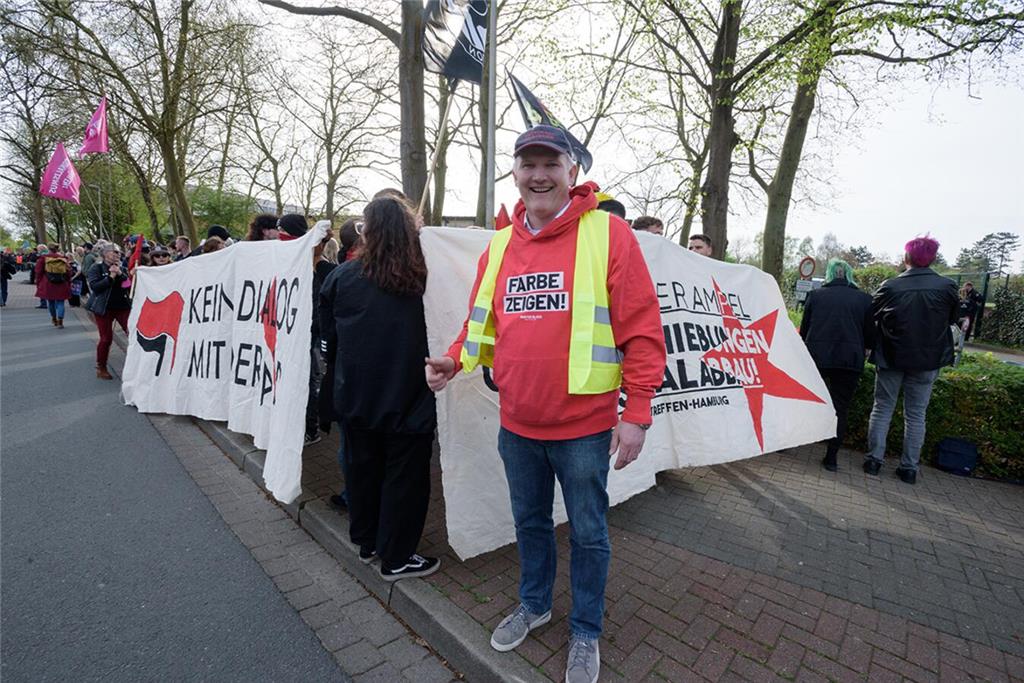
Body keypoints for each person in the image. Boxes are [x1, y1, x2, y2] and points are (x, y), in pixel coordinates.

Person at [424, 124, 666, 683]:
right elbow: (481, 324)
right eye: (527, 163)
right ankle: (535, 605)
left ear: (571, 171)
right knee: (530, 523)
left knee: (588, 533)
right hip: (519, 426)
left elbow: (643, 333)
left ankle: (585, 629)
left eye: (550, 163)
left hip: (584, 430)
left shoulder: (609, 235)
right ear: (514, 172)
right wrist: (455, 359)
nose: (538, 174)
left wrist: (637, 413)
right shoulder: (500, 245)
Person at [320, 196, 439, 581]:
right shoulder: (423, 278)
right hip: (407, 398)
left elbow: (329, 340)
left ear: (367, 232)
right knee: (403, 479)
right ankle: (397, 554)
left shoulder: (342, 278)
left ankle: (368, 540)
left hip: (356, 396)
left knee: (364, 471)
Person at [864, 236, 959, 484]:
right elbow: (952, 319)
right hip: (928, 359)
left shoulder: (891, 286)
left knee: (882, 408)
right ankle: (909, 469)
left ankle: (873, 461)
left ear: (906, 258)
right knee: (916, 415)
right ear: (933, 259)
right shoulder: (947, 287)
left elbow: (869, 315)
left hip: (892, 356)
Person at [799, 259, 874, 472]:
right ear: (849, 274)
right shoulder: (865, 299)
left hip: (817, 358)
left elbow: (804, 330)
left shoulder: (816, 296)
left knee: (805, 399)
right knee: (840, 408)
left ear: (830, 274)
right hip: (849, 360)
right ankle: (831, 457)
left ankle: (791, 442)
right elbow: (870, 336)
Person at [86, 244, 132, 379]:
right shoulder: (96, 268)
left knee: (133, 334)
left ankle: (135, 365)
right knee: (106, 339)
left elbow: (128, 286)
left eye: (119, 252)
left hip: (123, 307)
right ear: (105, 254)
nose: (117, 254)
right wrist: (110, 277)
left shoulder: (122, 268)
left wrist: (121, 274)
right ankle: (101, 366)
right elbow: (95, 287)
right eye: (114, 252)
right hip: (104, 308)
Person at [35, 244, 72, 327]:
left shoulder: (43, 258)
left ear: (48, 249)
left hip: (48, 283)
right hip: (62, 283)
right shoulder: (63, 258)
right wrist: (69, 282)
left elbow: (38, 272)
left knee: (51, 302)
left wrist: (38, 282)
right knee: (61, 302)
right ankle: (60, 320)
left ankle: (54, 319)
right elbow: (69, 272)